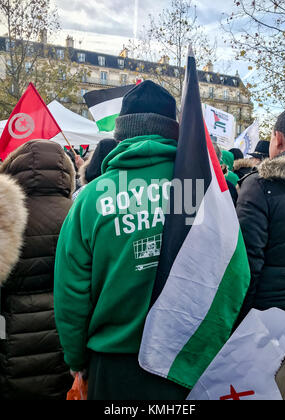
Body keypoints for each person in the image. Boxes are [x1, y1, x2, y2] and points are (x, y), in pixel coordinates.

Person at [54, 80, 190, 400]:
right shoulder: (202, 191)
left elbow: (71, 294)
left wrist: (77, 363)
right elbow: (234, 274)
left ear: (121, 133)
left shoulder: (90, 199)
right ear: (174, 130)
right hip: (187, 359)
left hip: (113, 365)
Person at [0, 139, 75, 400]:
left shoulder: (4, 213)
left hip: (11, 337)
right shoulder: (78, 211)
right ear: (66, 173)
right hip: (65, 339)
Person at [235, 108, 285, 324]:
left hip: (271, 322)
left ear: (278, 138)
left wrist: (237, 323)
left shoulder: (260, 186)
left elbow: (246, 266)